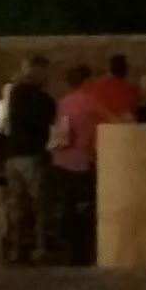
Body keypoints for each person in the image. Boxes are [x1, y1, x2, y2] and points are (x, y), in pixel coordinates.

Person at [51, 65, 104, 265]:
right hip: (83, 162)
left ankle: (70, 249)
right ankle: (84, 251)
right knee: (86, 207)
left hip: (62, 161)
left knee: (68, 206)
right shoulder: (92, 102)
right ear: (87, 81)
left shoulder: (63, 103)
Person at [5, 55, 56, 264]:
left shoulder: (15, 93)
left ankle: (16, 249)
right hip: (31, 155)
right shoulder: (39, 97)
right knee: (39, 204)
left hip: (13, 155)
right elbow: (46, 119)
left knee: (17, 205)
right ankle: (39, 247)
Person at [83, 54, 139, 124]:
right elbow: (131, 112)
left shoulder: (95, 85)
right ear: (126, 69)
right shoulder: (128, 89)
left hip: (100, 128)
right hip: (119, 128)